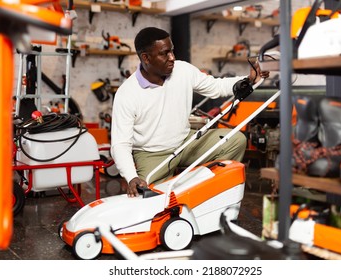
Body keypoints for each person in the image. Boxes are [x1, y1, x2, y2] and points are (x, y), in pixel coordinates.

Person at [111, 27, 269, 197]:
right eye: (164, 53)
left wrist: (249, 80)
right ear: (146, 58)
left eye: (172, 51)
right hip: (152, 153)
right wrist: (131, 177)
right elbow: (120, 144)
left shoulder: (183, 70)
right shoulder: (127, 93)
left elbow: (215, 87)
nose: (172, 57)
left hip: (186, 142)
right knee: (149, 198)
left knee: (235, 140)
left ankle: (212, 195)